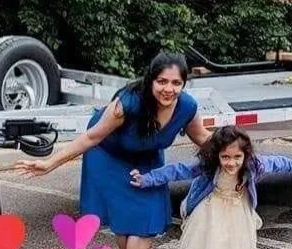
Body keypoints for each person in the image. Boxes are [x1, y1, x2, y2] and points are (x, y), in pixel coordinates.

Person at [14, 52, 212, 249]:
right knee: (125, 226)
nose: (168, 89)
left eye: (176, 83)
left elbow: (204, 137)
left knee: (145, 224)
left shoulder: (187, 107)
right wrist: (50, 163)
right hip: (109, 157)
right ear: (151, 80)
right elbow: (92, 137)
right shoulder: (127, 104)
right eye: (162, 81)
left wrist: (241, 154)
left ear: (184, 84)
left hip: (148, 161)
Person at [129, 125, 292, 249]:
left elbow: (275, 163)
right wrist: (147, 179)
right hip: (211, 209)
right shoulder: (209, 167)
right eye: (225, 157)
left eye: (237, 157)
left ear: (245, 155)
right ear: (216, 155)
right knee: (209, 241)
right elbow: (178, 170)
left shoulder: (253, 165)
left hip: (238, 210)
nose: (231, 163)